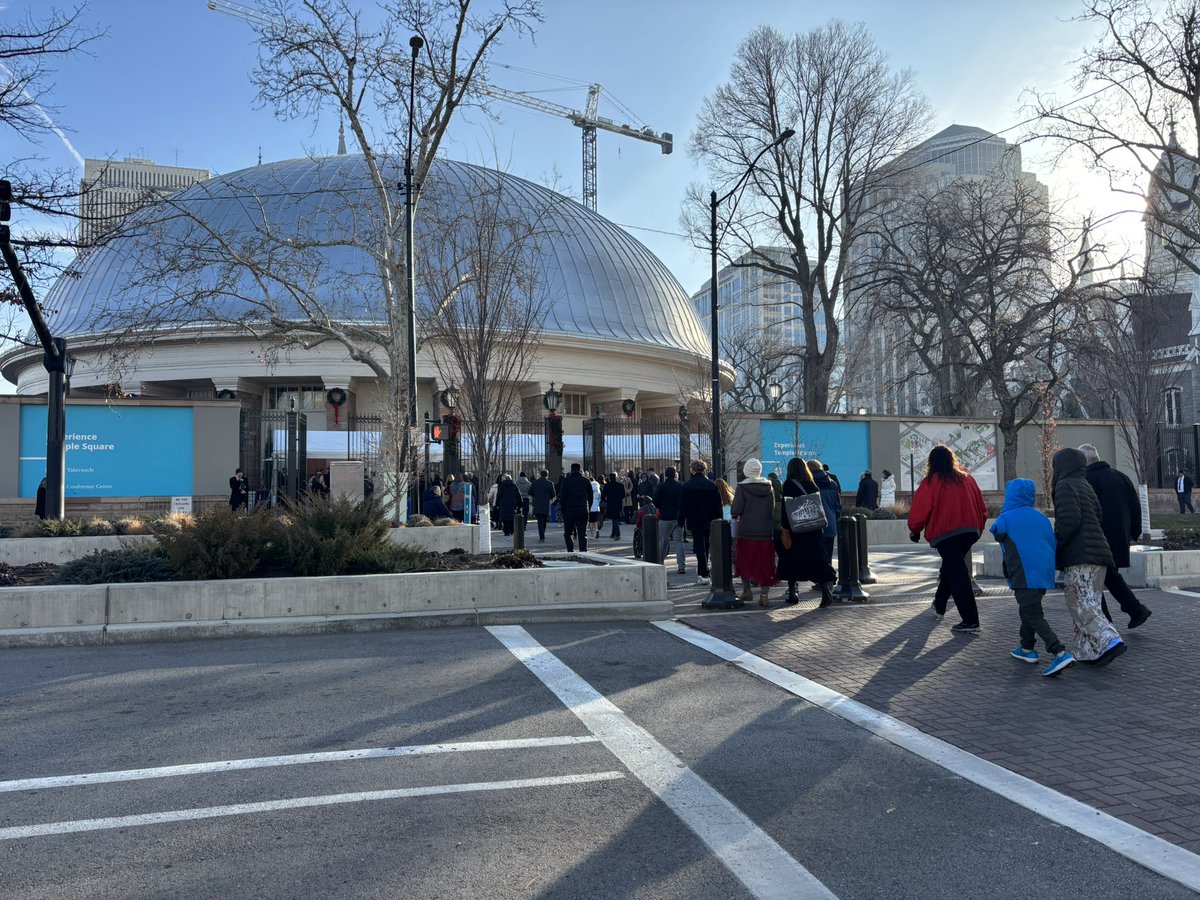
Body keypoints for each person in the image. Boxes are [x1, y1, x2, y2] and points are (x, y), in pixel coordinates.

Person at [991, 478, 1076, 677]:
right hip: (1043, 573)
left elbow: (996, 532)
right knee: (1028, 608)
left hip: (1022, 572)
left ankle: (1059, 651)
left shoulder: (1005, 518)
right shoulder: (1041, 518)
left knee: (1033, 614)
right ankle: (1027, 648)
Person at [1052, 448, 1127, 666]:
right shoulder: (1085, 484)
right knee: (1090, 601)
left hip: (1079, 555)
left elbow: (1069, 520)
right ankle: (1086, 651)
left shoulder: (1064, 485)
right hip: (1100, 553)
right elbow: (1098, 514)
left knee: (1079, 603)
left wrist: (1058, 542)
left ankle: (1109, 639)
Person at [907, 444, 989, 634]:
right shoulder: (967, 479)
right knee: (952, 568)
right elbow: (982, 507)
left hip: (946, 533)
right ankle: (939, 605)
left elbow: (920, 510)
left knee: (958, 575)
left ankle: (970, 621)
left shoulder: (931, 482)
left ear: (932, 462)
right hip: (970, 531)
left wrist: (915, 530)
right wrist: (978, 527)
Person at [1079, 444, 1153, 629]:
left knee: (1093, 583)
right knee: (1110, 576)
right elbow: (1136, 508)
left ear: (1084, 461)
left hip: (1095, 540)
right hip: (1119, 539)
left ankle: (1105, 625)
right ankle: (1136, 610)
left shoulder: (1086, 480)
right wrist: (1133, 533)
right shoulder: (1121, 477)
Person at [777, 458, 836, 608]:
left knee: (792, 560)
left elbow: (786, 509)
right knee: (817, 561)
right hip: (814, 529)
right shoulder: (812, 484)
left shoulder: (789, 484)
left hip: (797, 530)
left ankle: (792, 593)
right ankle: (825, 592)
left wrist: (785, 529)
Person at [731, 458, 780, 607]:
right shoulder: (769, 487)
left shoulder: (742, 488)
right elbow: (772, 510)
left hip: (747, 531)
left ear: (746, 471)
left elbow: (735, 510)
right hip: (766, 531)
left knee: (744, 561)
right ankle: (764, 595)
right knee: (765, 563)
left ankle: (747, 591)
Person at [679, 459, 722, 585]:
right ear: (705, 470)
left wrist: (681, 520)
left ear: (692, 470)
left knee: (699, 546)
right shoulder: (712, 485)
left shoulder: (687, 486)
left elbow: (683, 505)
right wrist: (719, 518)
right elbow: (717, 505)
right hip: (710, 519)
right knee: (707, 545)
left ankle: (702, 571)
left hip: (694, 518)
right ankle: (704, 569)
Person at [809, 460, 842, 573]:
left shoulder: (809, 482)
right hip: (830, 522)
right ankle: (829, 579)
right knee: (828, 554)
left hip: (814, 524)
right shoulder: (832, 483)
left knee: (816, 554)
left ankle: (821, 580)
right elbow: (838, 507)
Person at [654, 466, 687, 574]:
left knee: (663, 540)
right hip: (678, 517)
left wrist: (661, 506)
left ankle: (660, 563)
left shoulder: (661, 487)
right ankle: (681, 565)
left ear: (665, 475)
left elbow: (656, 502)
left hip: (665, 517)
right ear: (675, 475)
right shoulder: (681, 486)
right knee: (679, 541)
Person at [558, 463, 593, 552]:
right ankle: (583, 552)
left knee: (568, 533)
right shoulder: (586, 481)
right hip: (582, 509)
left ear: (571, 470)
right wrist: (589, 506)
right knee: (582, 533)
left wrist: (563, 509)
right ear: (580, 470)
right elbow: (591, 495)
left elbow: (562, 497)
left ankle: (570, 551)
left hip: (569, 509)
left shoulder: (566, 481)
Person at [530, 469, 556, 543]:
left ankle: (541, 535)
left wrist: (536, 496)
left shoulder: (535, 482)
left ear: (540, 475)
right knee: (544, 520)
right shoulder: (550, 483)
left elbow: (530, 492)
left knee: (539, 521)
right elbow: (553, 494)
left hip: (537, 504)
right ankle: (542, 534)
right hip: (545, 504)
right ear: (547, 475)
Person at [603, 472, 626, 539]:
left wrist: (604, 500)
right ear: (616, 478)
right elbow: (623, 495)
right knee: (615, 518)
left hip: (610, 503)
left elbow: (603, 495)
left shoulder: (607, 485)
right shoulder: (620, 485)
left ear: (610, 478)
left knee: (614, 519)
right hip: (618, 503)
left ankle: (617, 534)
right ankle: (613, 533)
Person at [588, 471, 603, 538]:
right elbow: (600, 495)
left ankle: (592, 535)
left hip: (590, 505)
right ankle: (597, 530)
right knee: (595, 520)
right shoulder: (597, 485)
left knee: (591, 521)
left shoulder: (589, 485)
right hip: (596, 504)